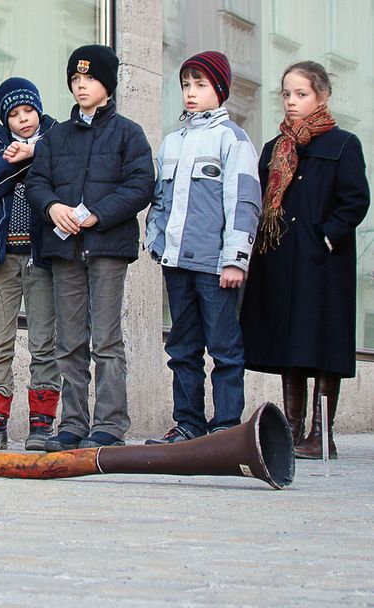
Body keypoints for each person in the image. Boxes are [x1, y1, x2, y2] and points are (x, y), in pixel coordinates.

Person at [26, 45, 154, 451]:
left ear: (108, 85)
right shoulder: (55, 136)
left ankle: (111, 425)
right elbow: (36, 183)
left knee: (107, 340)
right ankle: (73, 424)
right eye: (75, 79)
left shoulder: (129, 133)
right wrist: (53, 206)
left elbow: (140, 186)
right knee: (69, 342)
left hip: (107, 249)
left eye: (90, 79)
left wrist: (97, 213)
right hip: (64, 251)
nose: (81, 85)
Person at [239, 61, 370, 459]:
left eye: (302, 94)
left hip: (322, 264)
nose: (292, 102)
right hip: (279, 260)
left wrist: (327, 237)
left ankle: (321, 433)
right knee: (288, 344)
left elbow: (355, 200)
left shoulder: (344, 144)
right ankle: (292, 431)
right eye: (287, 94)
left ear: (322, 96)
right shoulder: (274, 149)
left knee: (323, 344)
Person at [144, 51, 261, 444]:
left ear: (220, 90)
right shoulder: (172, 142)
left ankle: (226, 427)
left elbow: (244, 203)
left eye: (200, 85)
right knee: (183, 348)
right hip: (176, 263)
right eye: (185, 85)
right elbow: (159, 200)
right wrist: (156, 240)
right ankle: (188, 425)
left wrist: (235, 261)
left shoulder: (234, 139)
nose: (191, 93)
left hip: (216, 267)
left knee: (225, 349)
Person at [0, 77, 60, 451]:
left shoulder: (57, 141)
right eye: (14, 114)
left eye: (28, 111)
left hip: (43, 259)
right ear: (5, 119)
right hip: (2, 259)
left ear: (38, 109)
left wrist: (34, 152)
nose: (23, 119)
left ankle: (42, 423)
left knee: (44, 344)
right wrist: (17, 161)